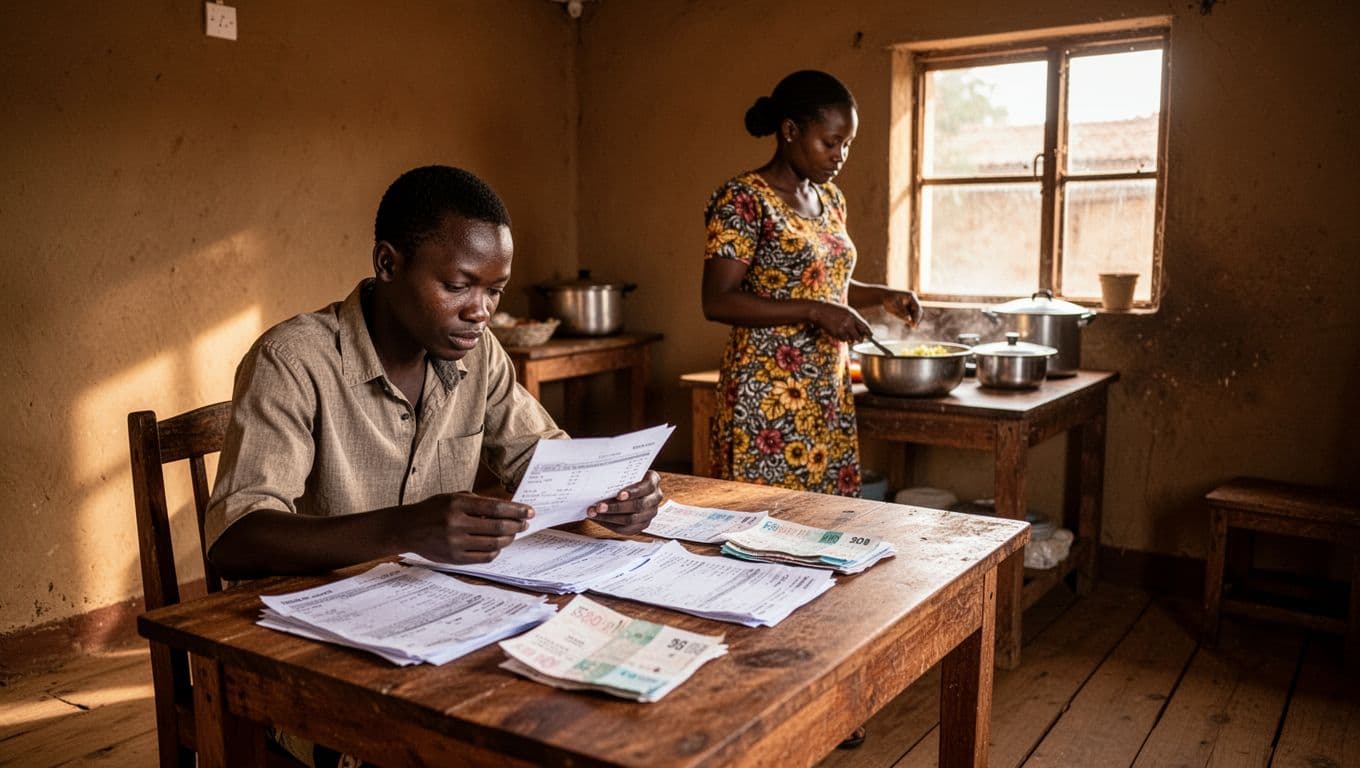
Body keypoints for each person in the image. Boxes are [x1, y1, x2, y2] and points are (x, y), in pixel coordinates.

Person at [702, 70, 922, 501]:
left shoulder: (831, 199)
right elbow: (717, 300)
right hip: (766, 394)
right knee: (763, 525)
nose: (840, 155)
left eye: (847, 144)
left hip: (825, 390)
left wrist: (882, 296)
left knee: (825, 525)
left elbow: (824, 285)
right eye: (830, 141)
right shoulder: (744, 199)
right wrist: (816, 312)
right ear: (789, 131)